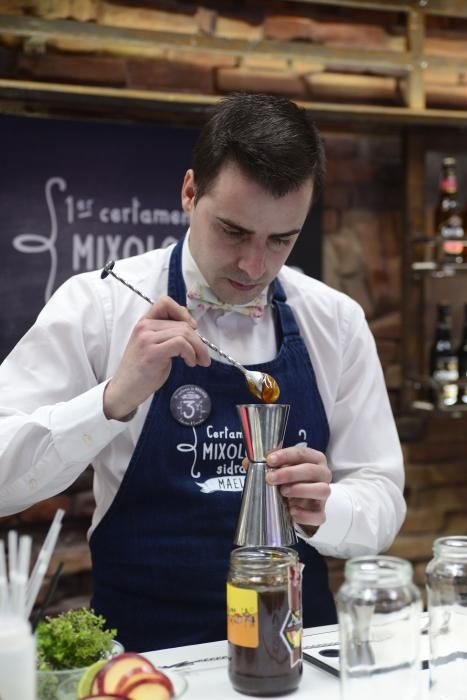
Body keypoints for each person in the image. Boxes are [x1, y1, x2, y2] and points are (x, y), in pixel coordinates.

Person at [0, 93, 405, 652]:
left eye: (281, 240)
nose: (253, 266)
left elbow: (382, 492)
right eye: (234, 231)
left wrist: (326, 508)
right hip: (145, 659)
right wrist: (111, 401)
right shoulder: (101, 304)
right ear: (190, 192)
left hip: (294, 656)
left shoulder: (334, 320)